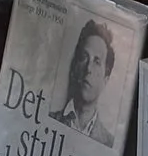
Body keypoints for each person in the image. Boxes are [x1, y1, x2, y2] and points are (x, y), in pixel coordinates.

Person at [51, 15, 122, 144]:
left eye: (97, 62)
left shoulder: (109, 142)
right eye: (84, 57)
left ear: (105, 79)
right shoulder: (50, 119)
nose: (88, 68)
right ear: (74, 66)